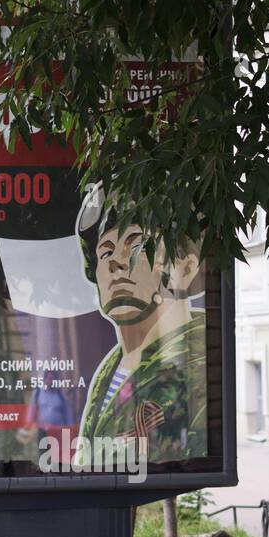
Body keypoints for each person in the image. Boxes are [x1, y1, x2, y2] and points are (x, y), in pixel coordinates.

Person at [76, 184, 207, 462]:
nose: (116, 263)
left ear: (183, 268)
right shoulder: (109, 372)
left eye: (137, 246)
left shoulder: (199, 363)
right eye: (105, 253)